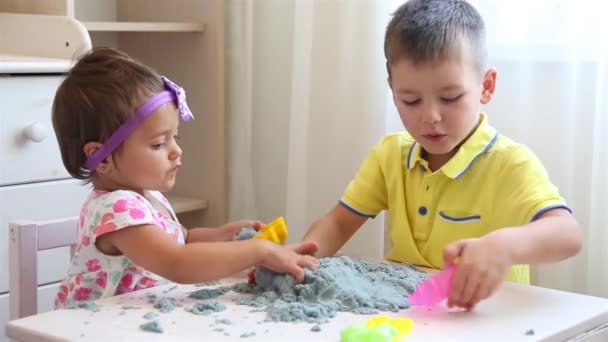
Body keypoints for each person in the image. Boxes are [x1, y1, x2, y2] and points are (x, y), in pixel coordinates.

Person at [302, 0, 581, 310]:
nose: (431, 117)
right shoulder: (390, 155)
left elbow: (567, 234)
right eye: (411, 100)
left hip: (488, 319)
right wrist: (301, 259)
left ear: (486, 86)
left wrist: (503, 246)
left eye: (450, 98)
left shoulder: (509, 163)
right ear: (393, 91)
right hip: (409, 314)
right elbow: (339, 224)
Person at [52, 47, 317, 308]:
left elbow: (183, 239)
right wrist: (260, 251)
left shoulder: (148, 195)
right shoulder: (116, 208)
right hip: (93, 329)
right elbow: (177, 262)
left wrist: (224, 235)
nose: (176, 150)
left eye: (174, 138)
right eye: (158, 144)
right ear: (103, 158)